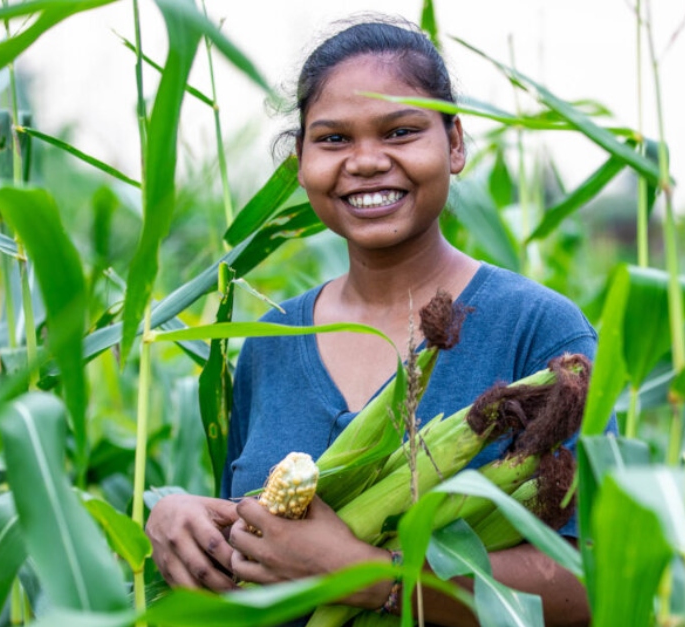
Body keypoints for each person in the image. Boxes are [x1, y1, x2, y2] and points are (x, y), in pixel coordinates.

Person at [145, 18, 600, 627]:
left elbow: (591, 585)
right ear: (300, 161)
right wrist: (180, 517)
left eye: (401, 131)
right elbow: (258, 545)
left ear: (455, 143)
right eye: (332, 140)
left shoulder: (540, 332)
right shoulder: (272, 340)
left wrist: (370, 576)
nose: (365, 162)